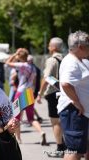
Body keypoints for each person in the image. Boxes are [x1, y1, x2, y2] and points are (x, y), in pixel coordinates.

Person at [57, 30, 89, 160]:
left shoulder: (80, 60)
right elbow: (65, 84)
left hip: (79, 113)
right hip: (74, 112)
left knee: (81, 147)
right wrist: (76, 102)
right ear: (81, 47)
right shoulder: (71, 62)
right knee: (74, 150)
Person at [5, 48, 47, 145]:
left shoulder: (22, 65)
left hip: (21, 92)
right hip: (29, 92)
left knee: (16, 117)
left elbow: (7, 63)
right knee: (31, 118)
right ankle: (41, 132)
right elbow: (34, 81)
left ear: (20, 56)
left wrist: (14, 54)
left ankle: (18, 139)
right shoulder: (33, 68)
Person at [36, 37, 66, 157]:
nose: (48, 48)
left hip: (53, 94)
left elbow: (47, 77)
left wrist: (40, 93)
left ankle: (60, 148)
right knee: (63, 121)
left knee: (55, 122)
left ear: (53, 47)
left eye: (49, 45)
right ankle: (65, 145)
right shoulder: (65, 58)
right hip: (64, 93)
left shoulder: (51, 60)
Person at [27, 55, 43, 123]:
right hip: (34, 89)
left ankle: (34, 119)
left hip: (31, 90)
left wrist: (34, 91)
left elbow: (35, 81)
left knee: (27, 105)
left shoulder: (32, 69)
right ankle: (38, 117)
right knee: (28, 105)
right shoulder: (36, 68)